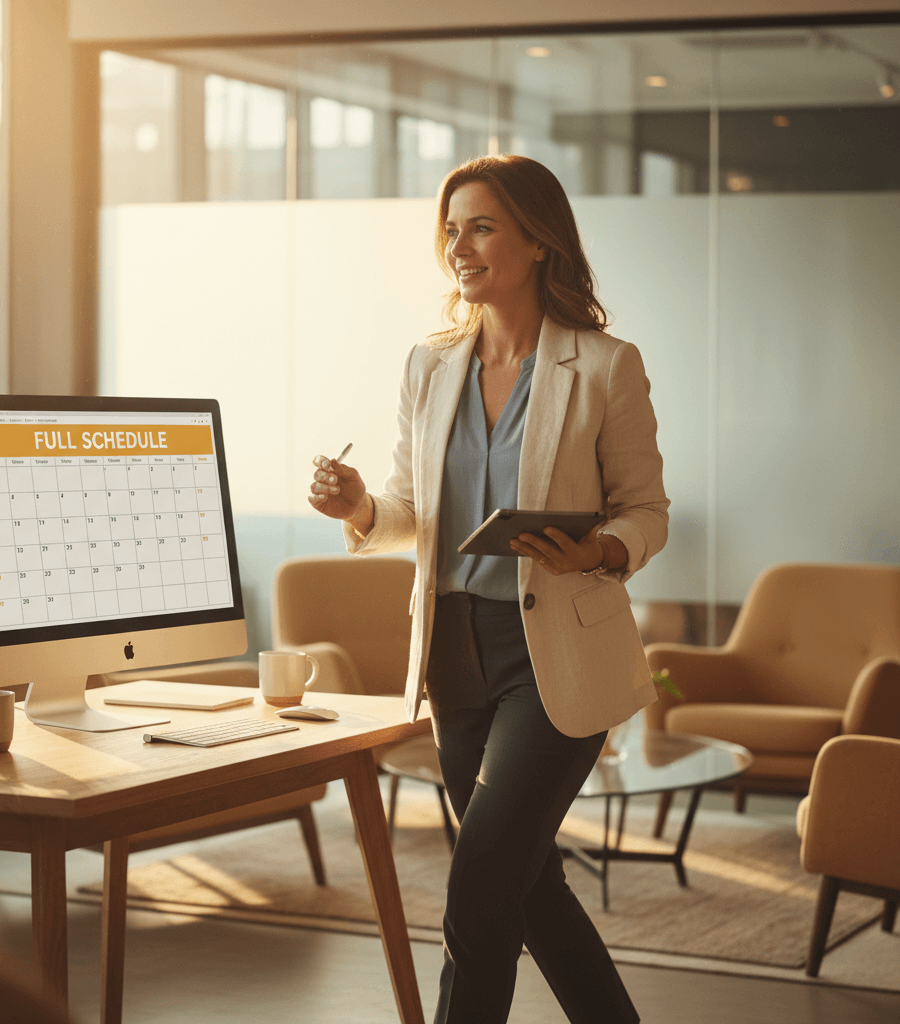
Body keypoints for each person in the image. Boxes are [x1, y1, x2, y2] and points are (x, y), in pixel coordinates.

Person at [308, 154, 669, 1024]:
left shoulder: (605, 366)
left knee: (479, 887)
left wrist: (598, 553)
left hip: (551, 658)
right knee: (527, 883)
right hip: (455, 653)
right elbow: (410, 511)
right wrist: (360, 507)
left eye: (482, 226)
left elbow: (647, 513)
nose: (459, 246)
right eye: (452, 228)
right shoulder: (429, 366)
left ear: (538, 241)